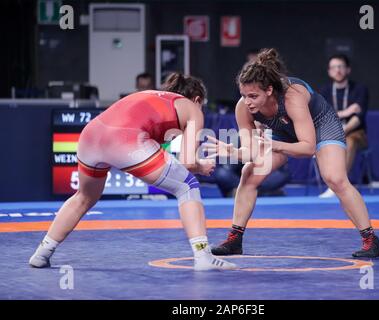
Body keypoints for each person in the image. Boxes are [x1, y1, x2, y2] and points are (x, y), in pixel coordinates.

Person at [29, 73, 236, 271]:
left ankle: (42, 253)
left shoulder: (154, 98)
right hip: (125, 140)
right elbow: (188, 162)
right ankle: (203, 256)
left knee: (84, 197)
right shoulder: (193, 108)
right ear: (197, 99)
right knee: (187, 186)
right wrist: (201, 166)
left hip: (90, 135)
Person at [205, 48, 379, 258]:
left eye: (253, 96)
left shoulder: (292, 96)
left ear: (269, 90)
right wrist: (234, 151)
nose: (248, 101)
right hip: (283, 131)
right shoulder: (243, 107)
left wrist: (274, 145)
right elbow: (251, 152)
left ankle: (370, 239)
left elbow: (307, 148)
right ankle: (234, 240)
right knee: (249, 173)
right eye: (244, 95)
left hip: (321, 125)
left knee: (335, 178)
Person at [318, 54, 369, 198]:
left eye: (341, 67)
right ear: (329, 71)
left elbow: (359, 117)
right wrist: (346, 112)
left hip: (356, 133)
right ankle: (331, 181)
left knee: (350, 140)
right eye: (334, 67)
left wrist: (342, 130)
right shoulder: (324, 91)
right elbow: (323, 116)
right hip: (331, 132)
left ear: (348, 70)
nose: (338, 70)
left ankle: (337, 185)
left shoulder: (359, 89)